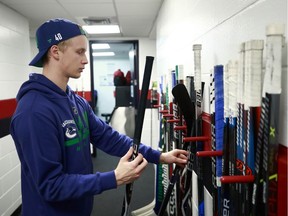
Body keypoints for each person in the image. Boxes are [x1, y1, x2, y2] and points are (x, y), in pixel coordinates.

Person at [10, 18, 188, 216]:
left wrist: (159, 156)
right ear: (55, 52)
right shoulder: (34, 111)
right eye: (80, 52)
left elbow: (108, 137)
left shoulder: (75, 102)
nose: (86, 59)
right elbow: (51, 185)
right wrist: (114, 178)